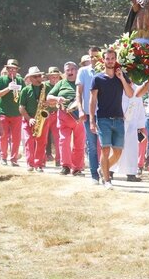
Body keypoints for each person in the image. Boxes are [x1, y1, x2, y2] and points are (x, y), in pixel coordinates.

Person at [89, 48, 134, 189]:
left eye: (112, 58)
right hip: (103, 119)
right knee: (105, 149)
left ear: (115, 60)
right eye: (107, 59)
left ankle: (103, 169)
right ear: (103, 60)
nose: (110, 61)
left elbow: (130, 94)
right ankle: (107, 180)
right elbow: (92, 100)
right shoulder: (97, 78)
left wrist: (121, 77)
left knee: (118, 152)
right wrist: (92, 120)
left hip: (119, 118)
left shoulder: (121, 76)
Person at [48, 62, 83, 175]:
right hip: (64, 115)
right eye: (68, 70)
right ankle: (65, 166)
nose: (70, 72)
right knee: (64, 141)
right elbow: (49, 97)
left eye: (72, 69)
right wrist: (57, 98)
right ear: (64, 72)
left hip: (79, 116)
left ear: (77, 71)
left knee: (79, 142)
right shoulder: (61, 83)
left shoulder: (81, 82)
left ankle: (77, 168)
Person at [116, 80, 149, 182]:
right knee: (115, 148)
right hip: (118, 122)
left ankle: (131, 173)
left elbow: (140, 108)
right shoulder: (117, 87)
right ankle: (110, 170)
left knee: (132, 149)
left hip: (132, 125)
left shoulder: (137, 89)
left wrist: (140, 126)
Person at [0, 60, 23, 166]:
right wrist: (8, 88)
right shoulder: (1, 79)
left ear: (17, 70)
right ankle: (3, 157)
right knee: (3, 136)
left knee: (16, 138)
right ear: (7, 70)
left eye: (14, 69)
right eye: (10, 69)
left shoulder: (20, 80)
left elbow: (23, 95)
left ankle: (14, 159)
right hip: (3, 113)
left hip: (17, 114)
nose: (12, 71)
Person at [76, 49, 101, 181]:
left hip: (104, 113)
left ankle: (104, 171)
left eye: (96, 56)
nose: (93, 59)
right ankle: (94, 175)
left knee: (104, 145)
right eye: (91, 56)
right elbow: (78, 92)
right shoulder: (83, 71)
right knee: (92, 145)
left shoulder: (105, 70)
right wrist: (80, 110)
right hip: (88, 113)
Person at [19, 66, 50, 172]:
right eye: (35, 76)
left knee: (42, 142)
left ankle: (39, 164)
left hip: (42, 120)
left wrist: (49, 103)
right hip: (29, 120)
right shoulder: (25, 90)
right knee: (29, 142)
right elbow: (21, 108)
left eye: (39, 76)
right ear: (30, 78)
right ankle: (30, 164)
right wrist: (29, 119)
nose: (38, 78)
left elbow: (53, 102)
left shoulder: (46, 88)